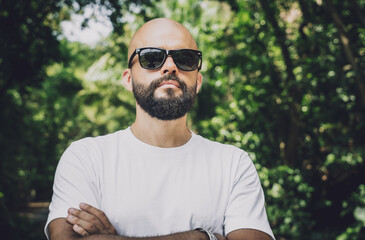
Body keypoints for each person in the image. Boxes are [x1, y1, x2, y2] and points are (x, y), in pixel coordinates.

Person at [45, 18, 275, 240]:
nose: (170, 67)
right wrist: (201, 237)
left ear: (198, 82)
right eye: (152, 57)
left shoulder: (234, 164)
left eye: (185, 58)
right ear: (128, 79)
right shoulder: (85, 158)